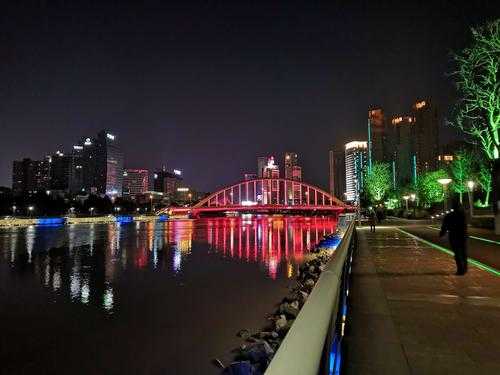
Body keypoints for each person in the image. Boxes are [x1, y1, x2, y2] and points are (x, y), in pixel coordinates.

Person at [439, 199, 468, 275]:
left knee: (457, 252)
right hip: (462, 235)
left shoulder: (449, 216)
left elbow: (444, 226)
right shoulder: (463, 215)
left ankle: (460, 269)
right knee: (463, 252)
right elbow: (465, 226)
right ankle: (464, 267)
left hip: (454, 236)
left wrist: (441, 234)